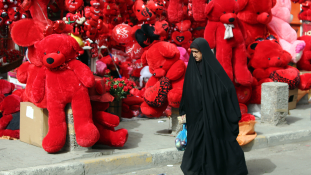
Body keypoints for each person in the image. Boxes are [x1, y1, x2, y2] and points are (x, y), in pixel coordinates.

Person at [179, 38, 248, 175]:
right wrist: (184, 110)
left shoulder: (214, 68)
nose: (194, 55)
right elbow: (187, 91)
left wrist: (213, 99)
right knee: (197, 144)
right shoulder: (192, 69)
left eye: (197, 52)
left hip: (214, 116)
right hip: (196, 116)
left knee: (218, 143)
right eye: (192, 52)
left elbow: (227, 88)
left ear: (204, 52)